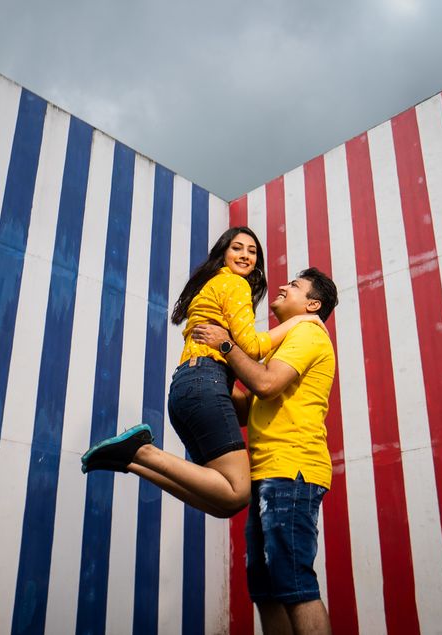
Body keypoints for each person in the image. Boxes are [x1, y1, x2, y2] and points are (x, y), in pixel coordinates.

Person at [80, 227, 324, 518]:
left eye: (252, 251)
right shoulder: (235, 285)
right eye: (237, 248)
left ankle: (130, 461)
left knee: (223, 502)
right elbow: (252, 345)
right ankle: (141, 452)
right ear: (223, 254)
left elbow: (244, 396)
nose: (245, 255)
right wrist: (297, 323)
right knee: (237, 490)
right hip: (204, 382)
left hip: (186, 387)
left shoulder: (214, 287)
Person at [193, 267, 338, 635]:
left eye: (296, 285)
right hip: (266, 472)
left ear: (312, 304)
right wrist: (212, 373)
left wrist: (226, 345)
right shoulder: (284, 343)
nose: (285, 286)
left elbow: (267, 383)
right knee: (266, 590)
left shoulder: (308, 332)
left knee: (293, 583)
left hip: (292, 469)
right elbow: (250, 405)